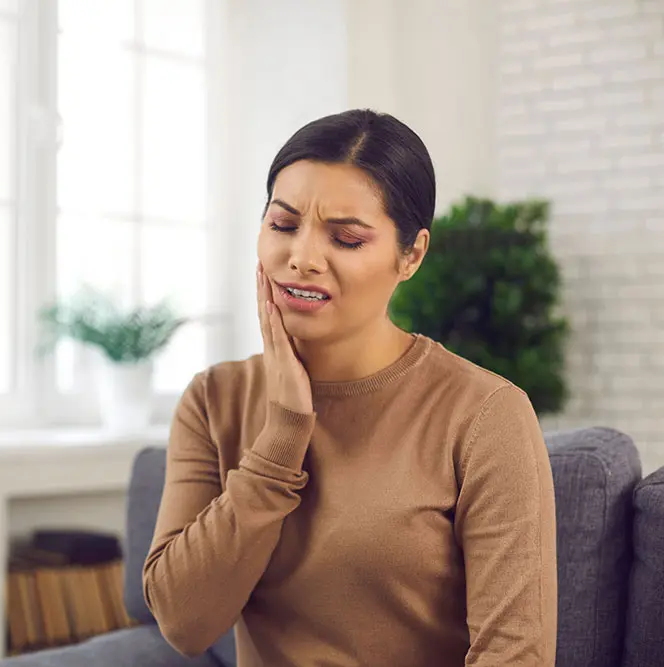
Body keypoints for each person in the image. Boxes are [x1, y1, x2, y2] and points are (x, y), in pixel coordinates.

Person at [142, 109, 557, 667]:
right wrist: (282, 436)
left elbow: (516, 656)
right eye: (283, 226)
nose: (302, 258)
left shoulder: (485, 415)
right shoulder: (213, 399)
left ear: (410, 256)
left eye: (346, 238)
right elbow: (183, 623)